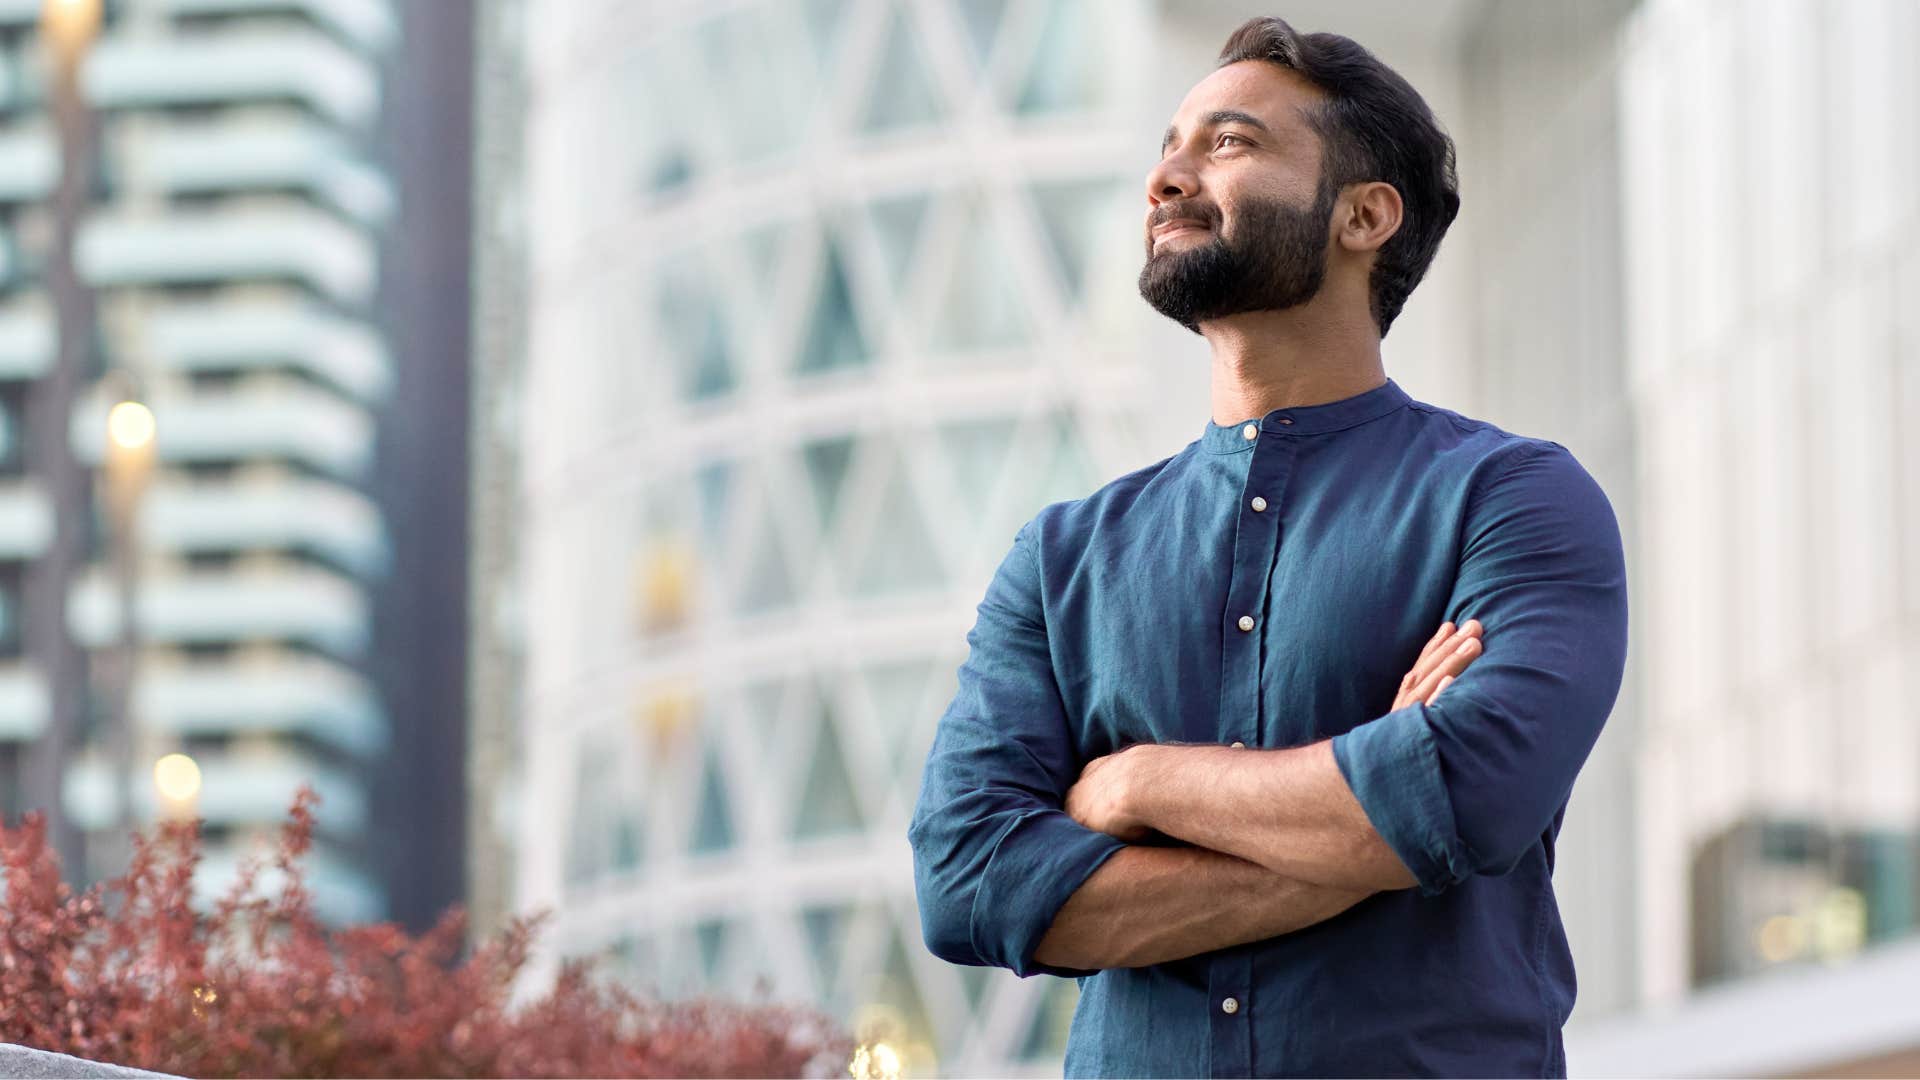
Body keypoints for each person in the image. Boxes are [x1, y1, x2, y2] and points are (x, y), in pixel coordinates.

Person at [906, 13, 1630, 1078]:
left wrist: (1142, 784)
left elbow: (1471, 792)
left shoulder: (1512, 500)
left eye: (1229, 144)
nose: (1168, 177)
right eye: (1169, 146)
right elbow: (969, 882)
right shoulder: (1062, 561)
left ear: (1365, 216)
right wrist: (1367, 822)